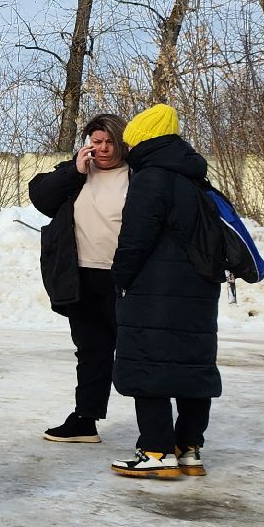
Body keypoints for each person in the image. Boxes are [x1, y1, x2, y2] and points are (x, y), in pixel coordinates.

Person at [108, 104, 221, 479]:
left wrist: (119, 278)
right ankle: (189, 450)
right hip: (199, 288)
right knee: (192, 366)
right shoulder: (195, 178)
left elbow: (135, 239)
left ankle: (156, 450)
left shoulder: (152, 178)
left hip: (155, 289)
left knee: (148, 364)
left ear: (142, 139)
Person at [28, 114, 131, 443]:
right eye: (95, 141)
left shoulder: (138, 175)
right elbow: (41, 197)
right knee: (92, 351)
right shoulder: (76, 173)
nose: (101, 148)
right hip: (81, 276)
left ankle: (158, 428)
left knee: (139, 352)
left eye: (109, 141)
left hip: (125, 279)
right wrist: (75, 171)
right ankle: (85, 419)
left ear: (121, 142)